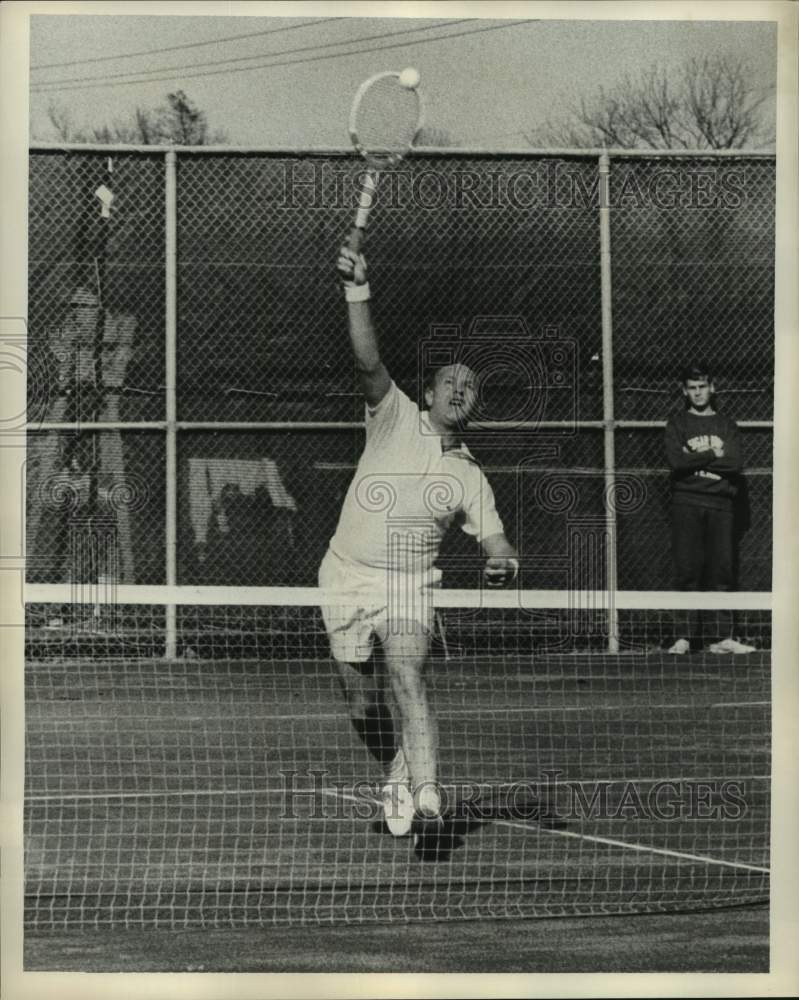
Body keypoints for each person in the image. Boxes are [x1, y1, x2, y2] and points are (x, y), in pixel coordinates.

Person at [319, 244, 519, 842]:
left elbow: (497, 542)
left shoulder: (470, 474)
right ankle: (397, 773)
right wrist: (358, 289)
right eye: (449, 383)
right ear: (428, 395)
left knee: (408, 676)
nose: (459, 391)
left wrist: (504, 562)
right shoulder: (393, 415)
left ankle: (429, 793)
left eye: (470, 388)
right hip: (345, 575)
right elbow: (367, 359)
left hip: (410, 587)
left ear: (475, 406)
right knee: (361, 700)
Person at [664, 363, 754, 654]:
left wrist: (698, 456)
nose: (698, 392)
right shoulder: (677, 423)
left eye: (702, 386)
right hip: (687, 503)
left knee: (721, 571)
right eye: (692, 388)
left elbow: (734, 463)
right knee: (687, 570)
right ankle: (683, 637)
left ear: (712, 388)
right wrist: (715, 453)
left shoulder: (726, 424)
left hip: (721, 504)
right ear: (685, 391)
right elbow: (677, 463)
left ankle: (721, 638)